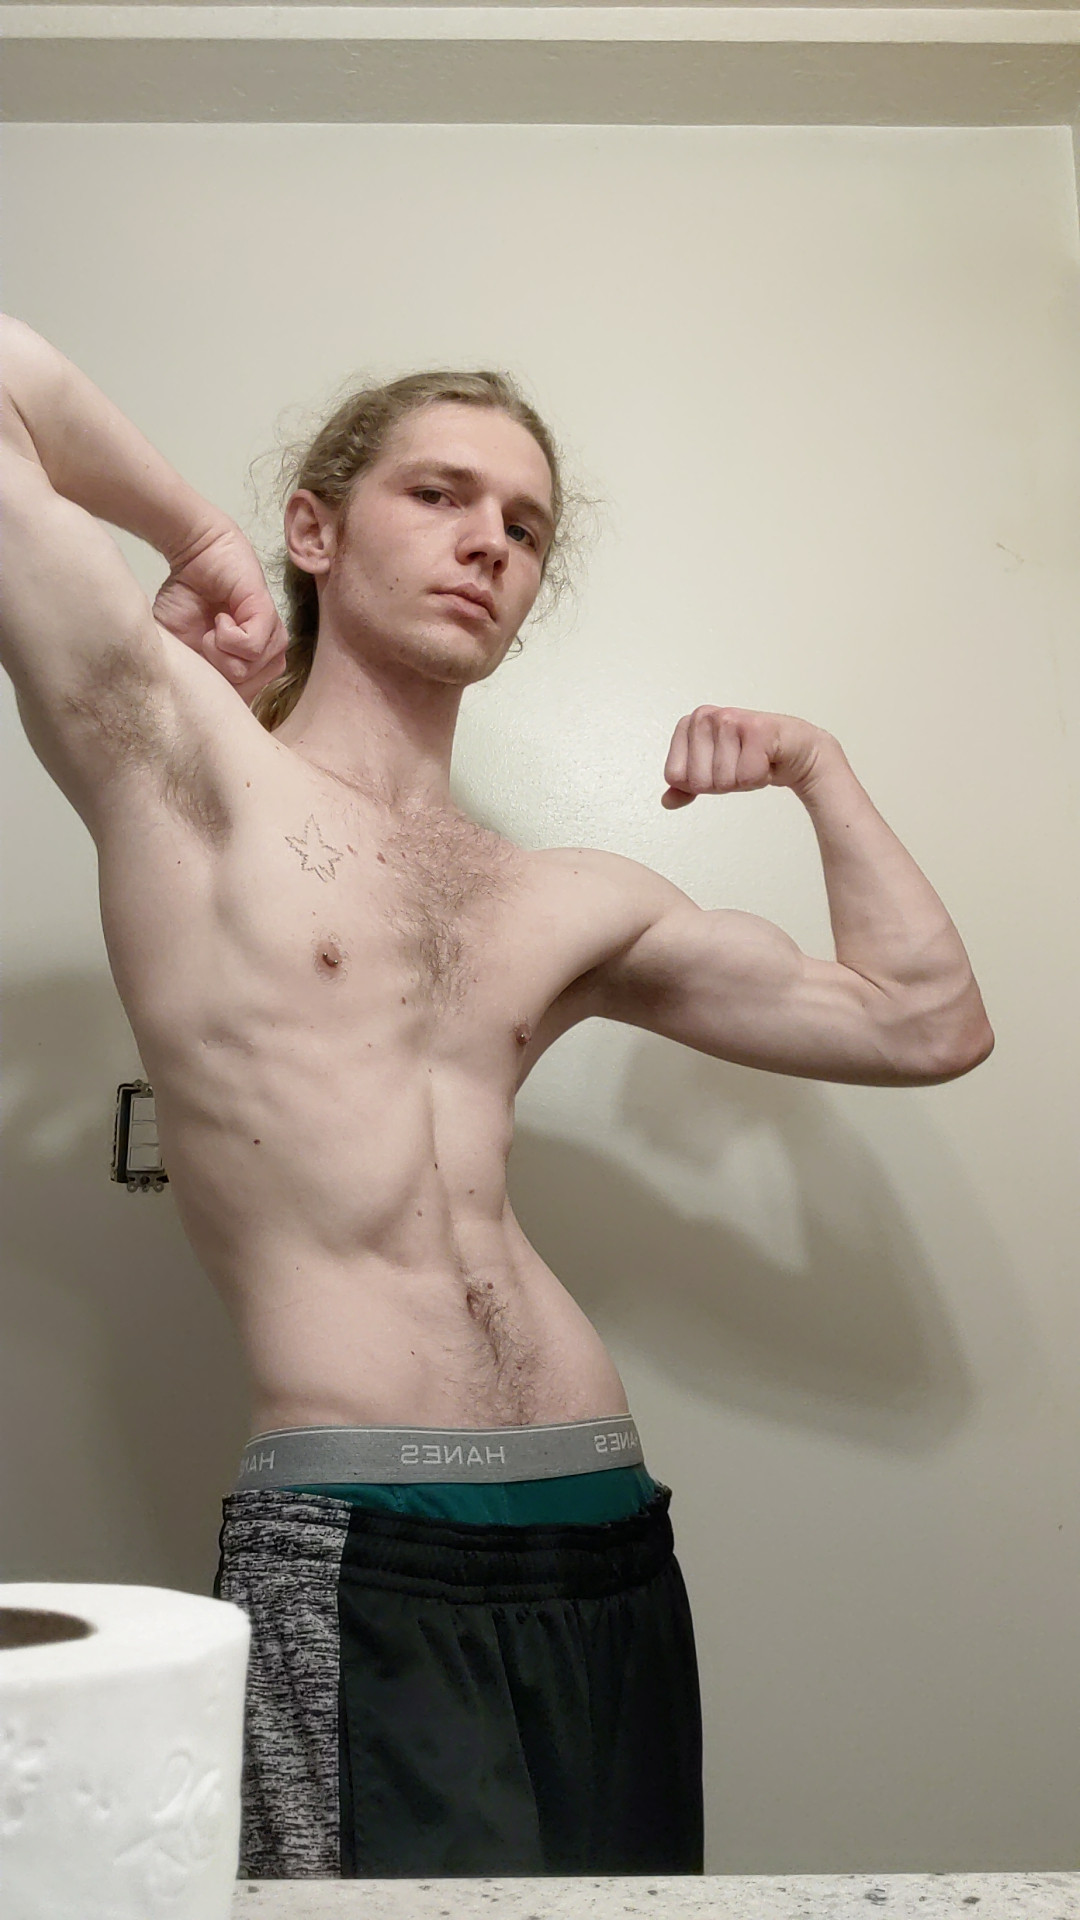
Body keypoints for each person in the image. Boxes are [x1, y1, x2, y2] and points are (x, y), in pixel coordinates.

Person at [0, 314, 994, 1881]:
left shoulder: (561, 897)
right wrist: (196, 543)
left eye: (525, 527)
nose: (489, 544)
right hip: (364, 1540)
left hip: (608, 1532)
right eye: (440, 495)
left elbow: (923, 1023)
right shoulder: (183, 765)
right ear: (316, 529)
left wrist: (818, 767)